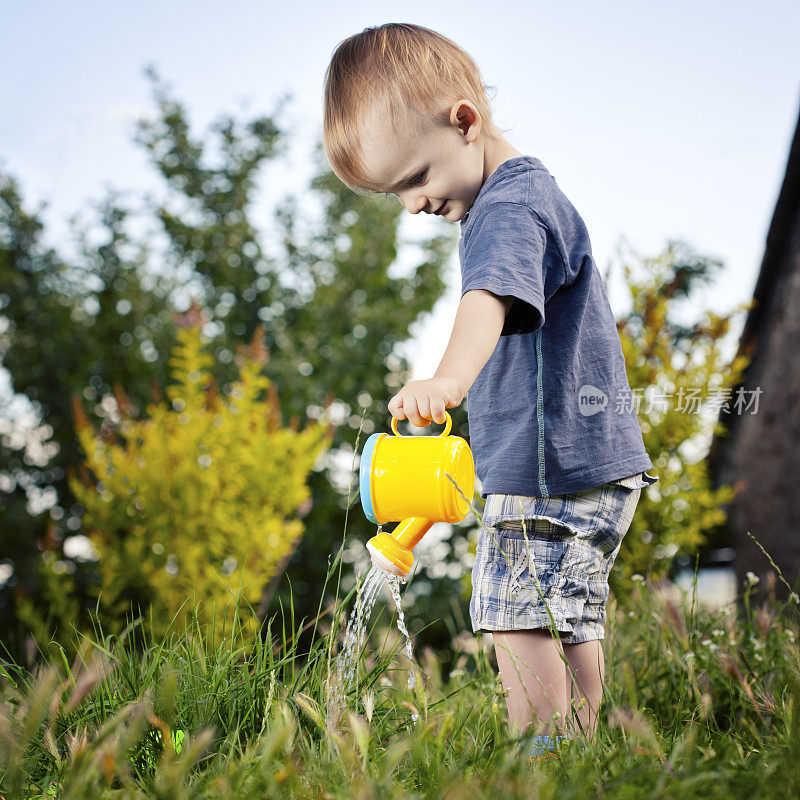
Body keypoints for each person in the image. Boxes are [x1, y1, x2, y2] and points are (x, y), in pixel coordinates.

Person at [322, 22, 658, 757]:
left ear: (464, 121)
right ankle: (583, 749)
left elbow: (487, 298)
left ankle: (541, 754)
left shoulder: (505, 208)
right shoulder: (528, 195)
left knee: (515, 615)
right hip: (591, 463)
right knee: (566, 615)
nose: (411, 205)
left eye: (414, 179)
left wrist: (446, 378)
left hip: (549, 468)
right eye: (395, 193)